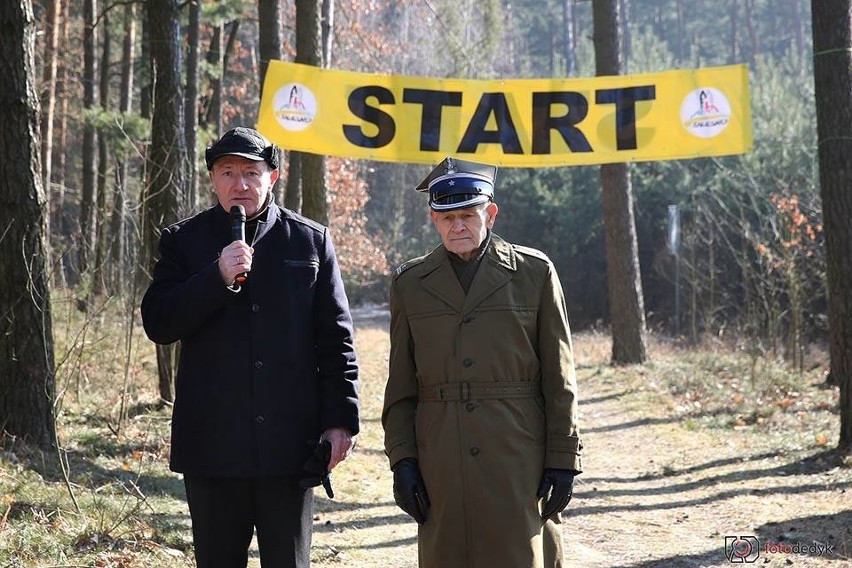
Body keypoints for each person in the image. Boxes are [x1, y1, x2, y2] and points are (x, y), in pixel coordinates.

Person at [141, 127, 360, 568]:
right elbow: (159, 322)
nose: (239, 184)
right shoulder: (184, 241)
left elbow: (336, 340)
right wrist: (214, 277)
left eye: (250, 172)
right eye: (227, 173)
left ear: (272, 177)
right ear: (212, 179)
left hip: (291, 448)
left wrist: (340, 421)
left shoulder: (309, 241)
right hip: (213, 447)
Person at [382, 157, 582, 568]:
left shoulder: (534, 273)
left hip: (518, 456)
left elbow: (560, 379)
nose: (458, 226)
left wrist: (564, 459)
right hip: (441, 460)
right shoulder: (410, 285)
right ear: (433, 220)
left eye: (468, 215)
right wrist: (402, 460)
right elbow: (400, 388)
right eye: (447, 217)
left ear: (490, 212)